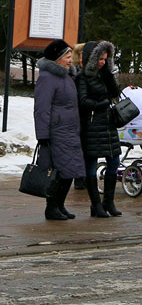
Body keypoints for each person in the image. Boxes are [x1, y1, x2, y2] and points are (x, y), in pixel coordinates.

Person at [33, 39, 85, 221]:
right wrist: (42, 135)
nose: (71, 60)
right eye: (68, 57)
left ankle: (59, 205)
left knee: (69, 171)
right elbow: (41, 108)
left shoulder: (67, 76)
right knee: (58, 172)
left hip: (70, 131)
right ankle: (51, 207)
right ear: (57, 58)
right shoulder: (47, 78)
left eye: (71, 56)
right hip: (56, 133)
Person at [74, 40, 123, 218]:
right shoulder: (82, 77)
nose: (103, 62)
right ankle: (96, 204)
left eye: (105, 58)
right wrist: (101, 104)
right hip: (92, 126)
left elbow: (115, 92)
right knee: (91, 166)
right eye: (100, 59)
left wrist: (109, 75)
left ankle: (108, 201)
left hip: (108, 125)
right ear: (92, 59)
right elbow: (82, 101)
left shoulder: (105, 74)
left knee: (114, 162)